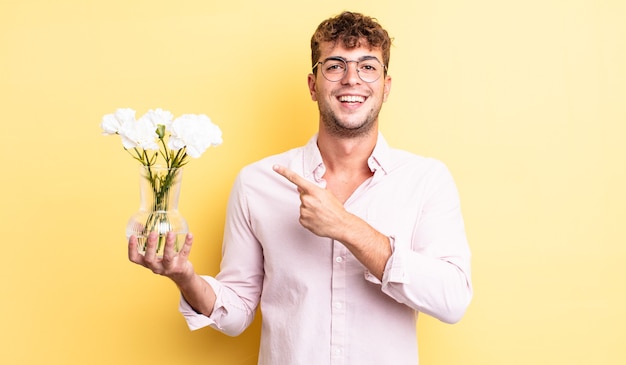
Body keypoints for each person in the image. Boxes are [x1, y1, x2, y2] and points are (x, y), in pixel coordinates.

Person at [129, 11, 472, 365]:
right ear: (313, 85)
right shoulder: (257, 183)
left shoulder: (426, 180)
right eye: (335, 66)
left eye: (368, 66)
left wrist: (347, 227)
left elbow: (452, 300)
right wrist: (186, 279)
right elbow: (237, 312)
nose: (351, 79)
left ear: (386, 86)